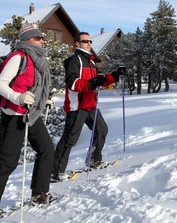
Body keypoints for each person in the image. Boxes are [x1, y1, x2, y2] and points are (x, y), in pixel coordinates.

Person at [0, 24, 55, 220]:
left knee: (46, 149)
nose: (41, 40)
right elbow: (0, 85)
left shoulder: (37, 59)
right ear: (27, 39)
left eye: (41, 36)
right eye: (37, 37)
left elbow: (36, 85)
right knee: (8, 161)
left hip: (31, 113)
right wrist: (19, 98)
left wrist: (42, 99)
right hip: (13, 114)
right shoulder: (18, 56)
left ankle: (39, 193)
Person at [51, 31, 125, 182]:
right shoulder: (74, 60)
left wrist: (115, 75)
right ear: (77, 44)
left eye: (90, 41)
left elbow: (100, 80)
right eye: (85, 41)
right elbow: (72, 83)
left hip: (90, 104)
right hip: (77, 105)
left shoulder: (90, 61)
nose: (89, 43)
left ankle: (93, 160)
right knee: (69, 139)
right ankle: (55, 173)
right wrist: (92, 83)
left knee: (101, 129)